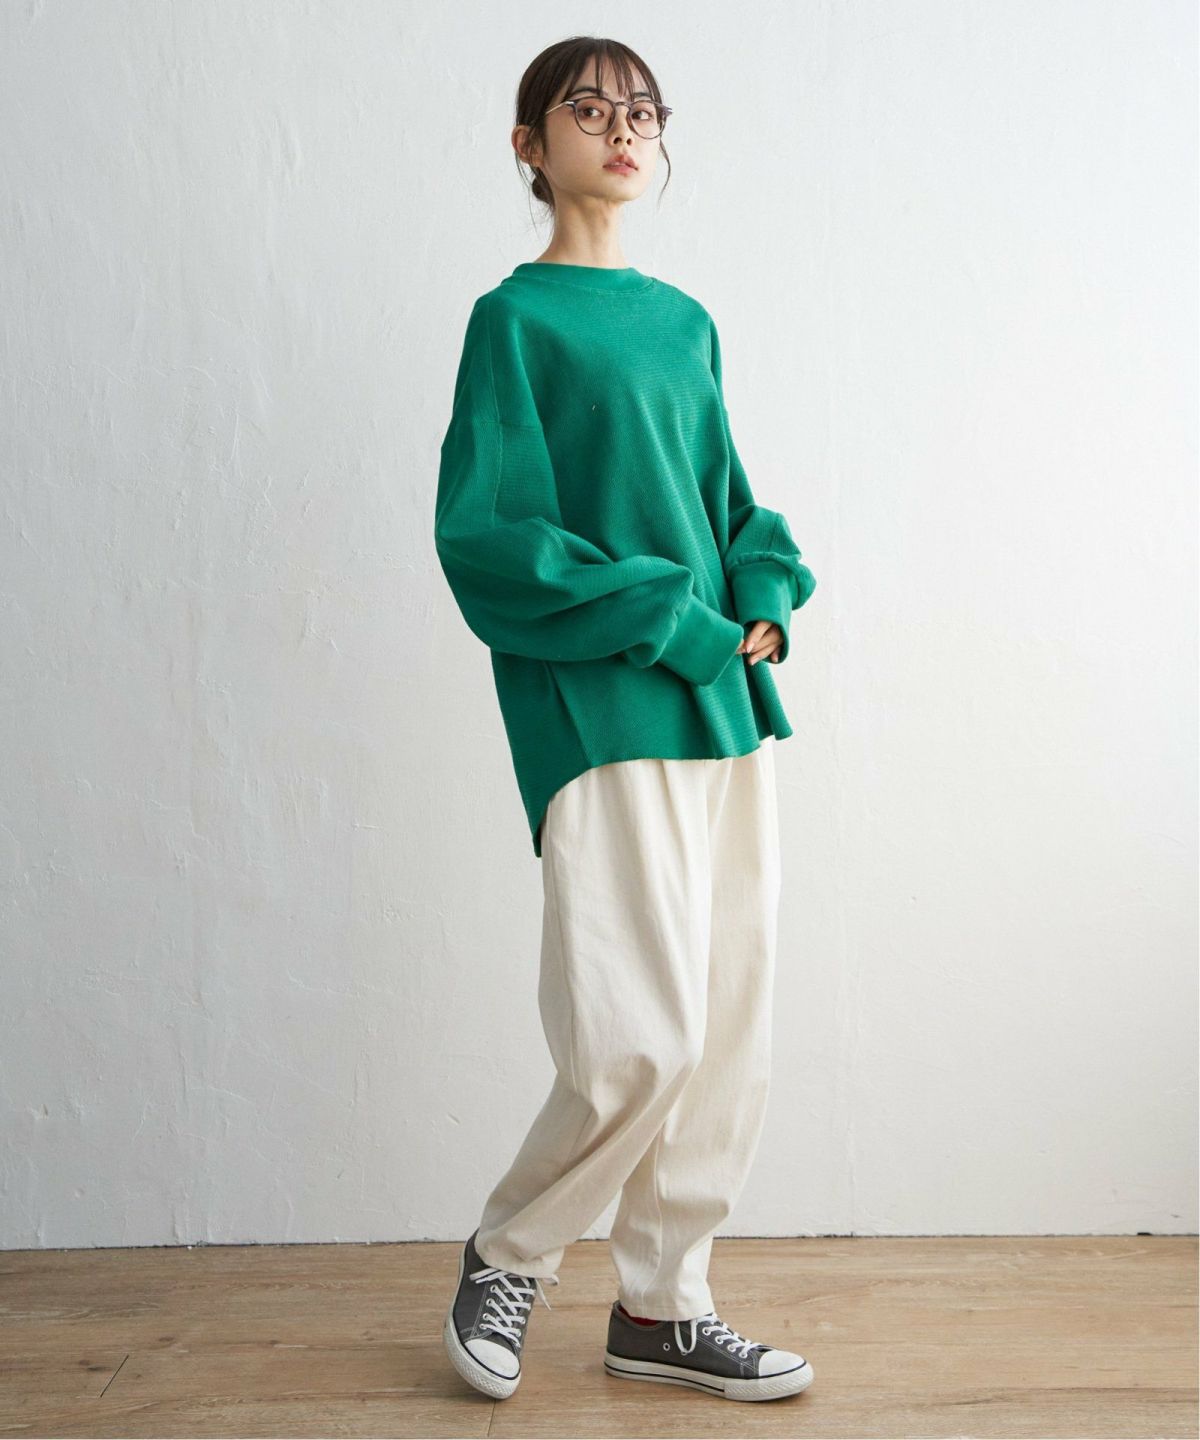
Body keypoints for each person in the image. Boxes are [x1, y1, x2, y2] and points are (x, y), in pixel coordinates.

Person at [434, 36, 817, 1405]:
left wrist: (760, 588)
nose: (622, 128)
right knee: (634, 1035)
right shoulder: (515, 321)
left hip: (723, 703)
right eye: (588, 107)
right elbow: (491, 540)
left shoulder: (684, 322)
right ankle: (509, 1251)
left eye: (642, 110)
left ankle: (665, 1307)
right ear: (530, 145)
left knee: (724, 1037)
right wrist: (672, 613)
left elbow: (729, 501)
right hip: (601, 704)